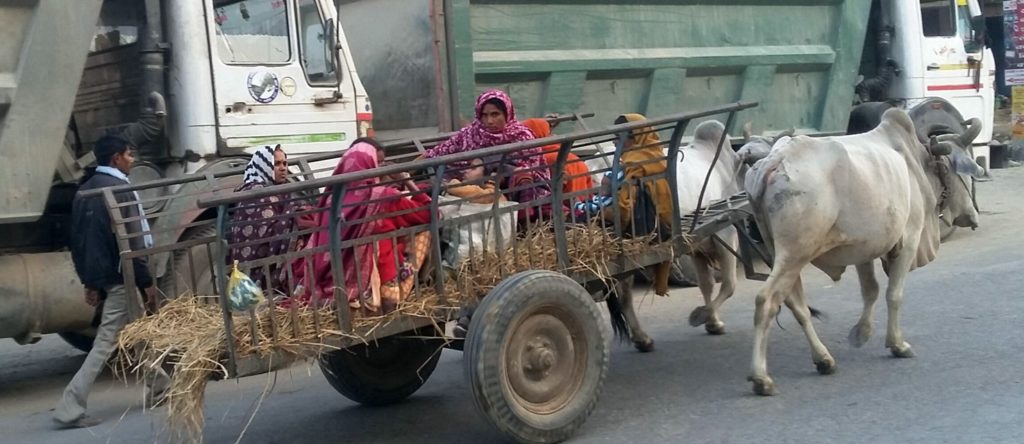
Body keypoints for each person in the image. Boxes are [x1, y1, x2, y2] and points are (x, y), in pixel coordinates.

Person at [55, 135, 169, 429]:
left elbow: (79, 244)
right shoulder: (121, 190)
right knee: (105, 343)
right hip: (123, 277)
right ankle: (70, 406)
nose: (132, 160)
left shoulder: (85, 192)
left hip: (105, 277)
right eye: (129, 155)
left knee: (139, 332)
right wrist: (146, 283)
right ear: (116, 158)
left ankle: (161, 387)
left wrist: (90, 283)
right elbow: (135, 242)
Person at [293, 139, 432, 313]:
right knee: (424, 232)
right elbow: (431, 212)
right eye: (378, 163)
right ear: (371, 165)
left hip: (329, 279)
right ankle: (398, 291)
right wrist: (408, 181)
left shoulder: (330, 199)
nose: (382, 168)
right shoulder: (384, 197)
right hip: (371, 279)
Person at [424, 89, 553, 221]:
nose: (489, 121)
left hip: (513, 190)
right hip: (477, 192)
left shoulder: (522, 136)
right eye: (484, 115)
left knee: (522, 175)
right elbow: (437, 153)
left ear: (507, 113)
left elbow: (530, 169)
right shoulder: (471, 134)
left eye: (495, 114)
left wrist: (485, 166)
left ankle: (523, 223)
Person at [605, 113, 675, 296]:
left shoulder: (635, 162)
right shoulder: (654, 155)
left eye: (618, 138)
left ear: (636, 137)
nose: (614, 143)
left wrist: (604, 211)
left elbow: (624, 208)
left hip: (645, 228)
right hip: (656, 225)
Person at [228, 145, 303, 293]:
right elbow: (266, 231)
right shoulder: (255, 194)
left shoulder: (280, 190)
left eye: (285, 163)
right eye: (276, 164)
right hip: (255, 272)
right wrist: (294, 216)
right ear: (263, 166)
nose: (283, 168)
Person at [522, 118, 593, 205]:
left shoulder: (543, 160)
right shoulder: (572, 156)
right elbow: (589, 186)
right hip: (584, 206)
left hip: (563, 210)